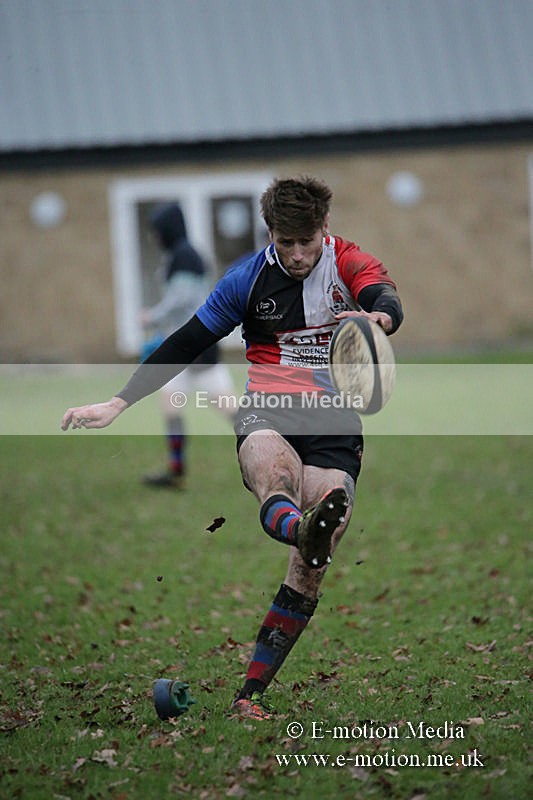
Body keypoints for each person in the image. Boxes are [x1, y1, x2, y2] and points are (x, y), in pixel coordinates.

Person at [62, 176, 403, 719]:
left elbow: (384, 297)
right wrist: (120, 402)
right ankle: (299, 526)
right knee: (277, 478)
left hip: (335, 419)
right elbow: (187, 342)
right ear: (270, 233)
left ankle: (250, 697)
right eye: (285, 242)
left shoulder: (348, 261)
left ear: (325, 229)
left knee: (318, 549)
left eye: (306, 241)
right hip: (268, 408)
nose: (296, 254)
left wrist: (378, 318)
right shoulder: (245, 280)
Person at [139, 202, 235, 488]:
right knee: (170, 405)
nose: (154, 237)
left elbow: (182, 300)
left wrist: (151, 317)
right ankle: (176, 470)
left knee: (230, 409)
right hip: (184, 349)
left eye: (156, 231)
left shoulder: (186, 256)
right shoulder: (179, 255)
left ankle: (280, 450)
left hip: (197, 349)